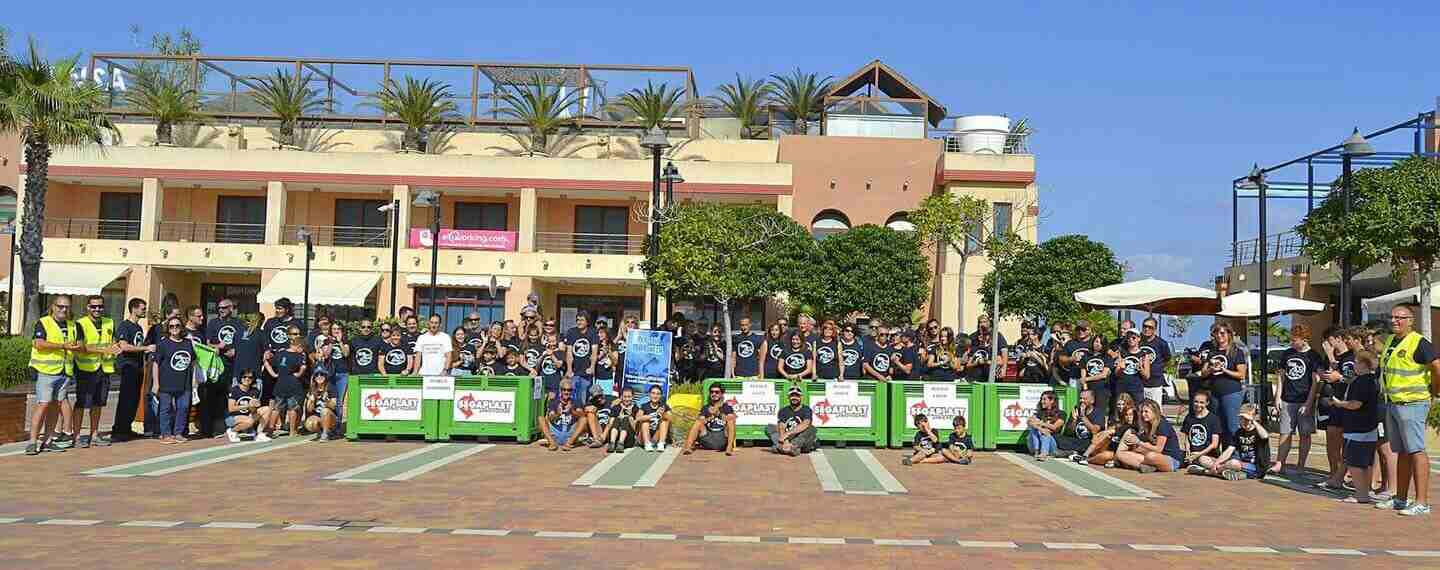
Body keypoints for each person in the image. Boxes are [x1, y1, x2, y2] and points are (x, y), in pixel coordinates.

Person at [1376, 304, 1440, 516]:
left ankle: (1422, 501)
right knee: (1402, 451)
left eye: (1400, 317)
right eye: (1392, 317)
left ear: (1411, 320)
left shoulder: (1419, 342)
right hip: (1394, 403)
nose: (1395, 321)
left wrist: (1435, 390)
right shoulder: (1391, 342)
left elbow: (1437, 366)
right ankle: (1401, 499)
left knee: (1416, 451)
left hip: (1412, 403)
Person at [25, 297, 80, 455]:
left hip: (65, 371)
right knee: (43, 405)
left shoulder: (72, 325)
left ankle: (48, 441)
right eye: (60, 306)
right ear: (53, 307)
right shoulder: (44, 322)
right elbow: (38, 343)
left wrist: (77, 347)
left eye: (66, 307)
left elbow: (76, 344)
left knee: (56, 406)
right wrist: (62, 345)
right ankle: (32, 442)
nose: (63, 310)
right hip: (47, 372)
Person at [1273, 323, 1323, 476]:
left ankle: (1301, 465)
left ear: (1304, 339)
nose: (1292, 342)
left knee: (1305, 433)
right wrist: (1278, 397)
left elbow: (1316, 381)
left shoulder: (1313, 356)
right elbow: (1281, 376)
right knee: (1285, 432)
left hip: (1304, 398)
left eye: (1295, 340)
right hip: (1288, 398)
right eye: (1291, 339)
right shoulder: (1287, 353)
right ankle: (1279, 462)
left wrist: (1309, 402)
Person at [1332, 351, 1381, 504]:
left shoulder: (1362, 382)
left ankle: (1361, 494)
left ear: (1364, 364)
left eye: (1356, 362)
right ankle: (1364, 492)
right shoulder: (1372, 380)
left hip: (1357, 428)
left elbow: (1356, 404)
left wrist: (1339, 404)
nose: (1354, 365)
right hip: (1369, 427)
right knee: (1365, 462)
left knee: (1354, 462)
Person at [72, 295, 118, 448]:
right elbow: (80, 347)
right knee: (81, 403)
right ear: (87, 307)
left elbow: (113, 341)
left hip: (104, 369)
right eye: (93, 306)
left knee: (98, 403)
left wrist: (116, 347)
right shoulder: (80, 324)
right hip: (86, 369)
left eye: (100, 306)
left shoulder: (109, 322)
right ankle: (77, 436)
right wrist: (104, 349)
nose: (97, 309)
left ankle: (94, 434)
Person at [1190, 403, 1269, 481]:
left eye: (1248, 419)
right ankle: (1225, 472)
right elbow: (1229, 450)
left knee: (1233, 463)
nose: (1245, 422)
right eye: (1242, 419)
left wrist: (1253, 421)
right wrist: (1216, 463)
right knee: (1203, 459)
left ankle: (1208, 471)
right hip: (1237, 464)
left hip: (1255, 468)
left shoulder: (1259, 431)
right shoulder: (1239, 432)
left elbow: (1265, 436)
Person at [111, 298, 153, 442]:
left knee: (134, 400)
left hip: (138, 367)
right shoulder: (125, 326)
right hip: (128, 367)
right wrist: (145, 348)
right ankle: (119, 430)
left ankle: (127, 428)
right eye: (142, 308)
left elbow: (138, 345)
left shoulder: (139, 328)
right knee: (126, 399)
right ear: (134, 309)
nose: (144, 310)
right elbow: (124, 346)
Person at [1316, 326, 1352, 491]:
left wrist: (1339, 376)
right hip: (1334, 403)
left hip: (1347, 404)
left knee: (1346, 441)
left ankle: (1343, 475)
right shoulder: (1336, 358)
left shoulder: (1351, 357)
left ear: (1338, 339)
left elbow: (1353, 378)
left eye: (1329, 340)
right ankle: (1334, 475)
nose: (1327, 345)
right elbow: (1332, 374)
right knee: (1331, 439)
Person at [151, 316, 196, 445]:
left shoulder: (187, 343)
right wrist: (156, 383)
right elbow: (156, 364)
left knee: (183, 408)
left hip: (184, 382)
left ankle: (178, 433)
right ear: (168, 329)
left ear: (181, 327)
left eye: (177, 326)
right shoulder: (163, 344)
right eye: (171, 326)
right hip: (167, 382)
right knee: (165, 409)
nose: (174, 328)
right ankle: (166, 434)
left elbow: (192, 363)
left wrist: (193, 380)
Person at [1201, 323, 1248, 440]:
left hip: (1231, 393)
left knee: (1231, 425)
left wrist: (1224, 370)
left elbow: (1241, 374)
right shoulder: (1212, 352)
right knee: (1218, 426)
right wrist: (1211, 369)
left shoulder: (1236, 352)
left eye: (1222, 333)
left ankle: (1235, 454)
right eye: (1217, 333)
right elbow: (1203, 373)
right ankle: (1219, 453)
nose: (1219, 335)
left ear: (1229, 334)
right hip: (1214, 393)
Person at [1116, 399, 1183, 473]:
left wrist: (1138, 442)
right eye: (1141, 412)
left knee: (1150, 456)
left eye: (1146, 412)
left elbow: (1158, 449)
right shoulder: (1147, 424)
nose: (1143, 414)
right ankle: (1148, 467)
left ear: (1154, 412)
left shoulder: (1162, 425)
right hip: (1152, 457)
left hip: (1171, 460)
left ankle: (1143, 465)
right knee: (1120, 454)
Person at [265, 325, 309, 437]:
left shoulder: (283, 352)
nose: (297, 336)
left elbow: (267, 362)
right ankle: (291, 431)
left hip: (282, 383)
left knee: (279, 408)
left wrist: (274, 374)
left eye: (298, 334)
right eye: (294, 334)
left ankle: (271, 431)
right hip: (291, 384)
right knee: (291, 407)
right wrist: (298, 374)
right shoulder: (296, 354)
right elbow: (303, 368)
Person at [1085, 392, 1137, 467]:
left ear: (1129, 405)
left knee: (1106, 455)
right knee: (1105, 436)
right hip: (1112, 445)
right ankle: (1086, 455)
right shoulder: (1115, 417)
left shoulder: (1134, 419)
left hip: (1124, 450)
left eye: (1123, 404)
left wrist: (1110, 431)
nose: (1120, 407)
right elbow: (1108, 431)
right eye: (1119, 404)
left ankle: (1087, 459)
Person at [684, 383, 736, 455]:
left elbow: (732, 419)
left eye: (717, 392)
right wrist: (710, 417)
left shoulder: (727, 407)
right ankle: (688, 447)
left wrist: (719, 414)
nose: (714, 394)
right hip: (707, 437)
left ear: (721, 394)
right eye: (712, 392)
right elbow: (701, 421)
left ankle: (729, 448)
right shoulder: (705, 408)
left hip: (722, 438)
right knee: (698, 422)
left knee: (731, 421)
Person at [766, 385, 816, 456]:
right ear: (788, 397)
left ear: (801, 397)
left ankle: (785, 446)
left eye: (797, 396)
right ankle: (790, 448)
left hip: (800, 439)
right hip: (787, 439)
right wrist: (785, 440)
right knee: (769, 427)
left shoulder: (806, 409)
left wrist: (787, 434)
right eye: (792, 395)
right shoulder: (783, 410)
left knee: (812, 429)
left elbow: (805, 424)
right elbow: (781, 426)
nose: (794, 398)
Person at [226, 369, 273, 443]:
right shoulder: (234, 390)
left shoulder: (255, 391)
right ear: (241, 378)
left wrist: (254, 406)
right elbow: (231, 409)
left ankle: (259, 434)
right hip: (233, 417)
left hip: (248, 415)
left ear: (253, 379)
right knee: (249, 421)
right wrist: (248, 405)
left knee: (267, 409)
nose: (247, 379)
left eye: (250, 377)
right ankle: (232, 431)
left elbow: (253, 410)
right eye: (244, 377)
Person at [1181, 390, 1224, 467]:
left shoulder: (1213, 419)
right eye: (1196, 402)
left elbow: (1214, 444)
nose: (1198, 404)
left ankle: (1219, 469)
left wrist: (1199, 454)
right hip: (1193, 453)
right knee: (1178, 455)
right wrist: (1187, 450)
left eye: (1202, 402)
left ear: (1207, 403)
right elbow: (1187, 437)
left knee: (1202, 460)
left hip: (1208, 455)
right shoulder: (1189, 417)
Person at [1060, 389, 1105, 460]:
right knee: (1058, 437)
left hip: (1088, 442)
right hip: (1076, 441)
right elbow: (1068, 432)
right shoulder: (1076, 409)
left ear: (1092, 400)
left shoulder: (1098, 412)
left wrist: (1083, 416)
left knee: (1089, 444)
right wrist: (1074, 421)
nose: (1081, 401)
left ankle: (1073, 452)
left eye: (1085, 399)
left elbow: (1095, 430)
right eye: (1080, 398)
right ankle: (1073, 452)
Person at [538, 378, 582, 451]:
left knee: (584, 419)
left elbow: (582, 416)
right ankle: (552, 443)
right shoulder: (554, 402)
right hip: (555, 433)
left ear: (572, 391)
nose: (566, 392)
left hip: (569, 434)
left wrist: (572, 411)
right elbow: (550, 418)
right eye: (564, 389)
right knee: (540, 418)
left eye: (569, 390)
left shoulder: (576, 402)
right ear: (560, 390)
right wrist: (558, 414)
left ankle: (568, 444)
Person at [563, 312, 598, 401]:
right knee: (572, 397)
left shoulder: (593, 332)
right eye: (577, 320)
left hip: (586, 372)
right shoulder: (571, 332)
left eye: (581, 320)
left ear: (587, 322)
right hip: (574, 371)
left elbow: (594, 352)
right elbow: (569, 352)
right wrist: (569, 369)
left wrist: (592, 367)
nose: (579, 322)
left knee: (583, 398)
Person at [1138, 317, 1173, 404]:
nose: (1147, 329)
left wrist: (1157, 368)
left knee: (1155, 409)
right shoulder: (1137, 340)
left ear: (1155, 329)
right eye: (1145, 326)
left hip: (1155, 383)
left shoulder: (1161, 343)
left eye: (1150, 327)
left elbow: (1167, 359)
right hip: (1139, 382)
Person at [1078, 338, 1114, 420]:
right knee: (1087, 411)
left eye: (1101, 343)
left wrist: (1086, 379)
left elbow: (1104, 375)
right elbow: (1082, 375)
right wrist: (1085, 389)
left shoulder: (1107, 357)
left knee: (1101, 412)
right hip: (1089, 389)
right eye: (1096, 341)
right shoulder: (1086, 357)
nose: (1098, 344)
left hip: (1102, 390)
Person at [1113, 328, 1150, 407]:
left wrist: (1141, 369)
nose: (1131, 339)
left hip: (1136, 389)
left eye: (1133, 338)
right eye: (1128, 337)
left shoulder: (1144, 355)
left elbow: (1147, 376)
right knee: (1121, 411)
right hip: (1122, 388)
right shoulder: (1122, 353)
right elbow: (1116, 374)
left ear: (1139, 339)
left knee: (1137, 411)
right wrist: (1121, 369)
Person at [1025, 390, 1065, 460]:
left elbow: (1054, 427)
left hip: (1051, 445)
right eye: (1041, 399)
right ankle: (1037, 451)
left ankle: (1043, 453)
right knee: (1034, 429)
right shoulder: (1040, 412)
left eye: (1044, 399)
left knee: (1046, 433)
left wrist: (1041, 423)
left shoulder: (1061, 413)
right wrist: (1040, 428)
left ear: (1052, 400)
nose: (1042, 401)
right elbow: (1029, 421)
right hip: (1034, 445)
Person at [1057, 320, 1094, 391]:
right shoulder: (1070, 343)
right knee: (1074, 400)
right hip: (1075, 378)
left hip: (1092, 379)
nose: (1080, 331)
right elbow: (1061, 358)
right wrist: (1071, 358)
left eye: (1083, 329)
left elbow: (1109, 353)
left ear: (1089, 330)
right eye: (1078, 329)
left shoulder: (1095, 342)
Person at [602, 385, 639, 453]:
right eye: (625, 397)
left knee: (625, 419)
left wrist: (629, 417)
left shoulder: (636, 409)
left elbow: (636, 429)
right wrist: (604, 436)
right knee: (617, 419)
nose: (627, 399)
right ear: (621, 397)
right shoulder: (616, 407)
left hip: (628, 439)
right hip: (615, 435)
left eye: (629, 397)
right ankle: (612, 443)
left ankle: (621, 443)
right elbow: (610, 423)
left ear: (632, 397)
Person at [303, 370, 337, 441]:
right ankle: (321, 432)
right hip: (318, 416)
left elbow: (334, 406)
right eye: (317, 375)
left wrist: (327, 401)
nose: (319, 376)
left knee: (324, 411)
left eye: (322, 374)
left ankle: (325, 433)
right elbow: (309, 410)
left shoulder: (331, 387)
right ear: (314, 378)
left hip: (330, 416)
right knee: (309, 424)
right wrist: (312, 401)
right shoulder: (312, 390)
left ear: (325, 377)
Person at [636, 384, 671, 452]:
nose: (655, 396)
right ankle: (647, 444)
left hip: (656, 437)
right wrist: (654, 415)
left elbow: (670, 418)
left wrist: (663, 414)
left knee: (663, 421)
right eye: (653, 393)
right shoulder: (644, 406)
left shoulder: (663, 406)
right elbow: (638, 418)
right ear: (649, 394)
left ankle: (661, 444)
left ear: (660, 396)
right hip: (644, 437)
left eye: (658, 394)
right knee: (645, 422)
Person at [592, 327, 616, 394]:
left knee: (607, 398)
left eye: (601, 332)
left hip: (607, 378)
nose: (599, 334)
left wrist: (609, 352)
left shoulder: (612, 345)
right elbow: (591, 361)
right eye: (598, 333)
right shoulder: (595, 345)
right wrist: (601, 355)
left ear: (607, 334)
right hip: (596, 378)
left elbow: (615, 362)